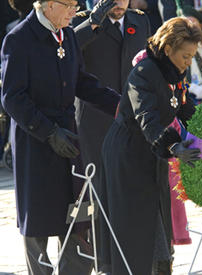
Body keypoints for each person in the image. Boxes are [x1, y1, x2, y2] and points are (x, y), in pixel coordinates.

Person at [0, 0, 120, 274]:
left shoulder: (66, 34)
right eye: (70, 5)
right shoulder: (18, 39)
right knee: (38, 224)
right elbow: (12, 98)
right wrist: (49, 133)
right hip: (36, 141)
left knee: (76, 217)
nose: (75, 12)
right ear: (49, 5)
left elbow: (81, 81)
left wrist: (120, 106)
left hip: (70, 140)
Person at [99, 16, 202, 275]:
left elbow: (185, 107)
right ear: (168, 50)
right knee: (133, 226)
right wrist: (174, 147)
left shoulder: (175, 71)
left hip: (153, 152)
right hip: (127, 155)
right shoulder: (144, 72)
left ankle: (160, 267)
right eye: (185, 57)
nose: (188, 63)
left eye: (192, 57)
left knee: (158, 221)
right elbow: (148, 119)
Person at [73, 0, 150, 192]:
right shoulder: (83, 21)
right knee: (98, 184)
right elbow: (68, 49)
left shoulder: (139, 20)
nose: (118, 3)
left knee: (132, 182)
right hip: (95, 118)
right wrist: (93, 22)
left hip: (131, 115)